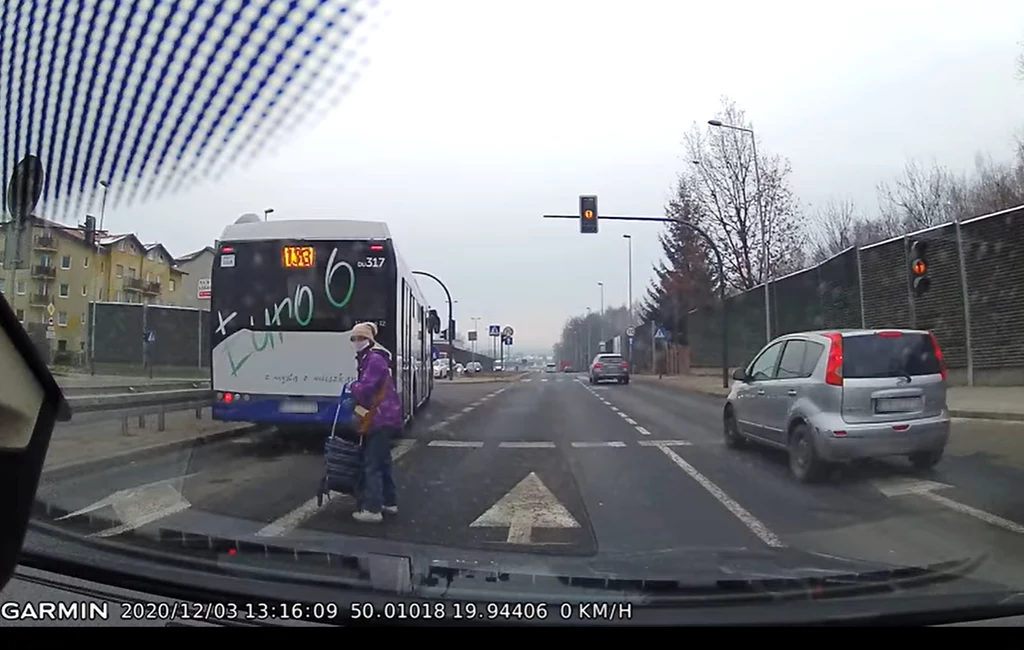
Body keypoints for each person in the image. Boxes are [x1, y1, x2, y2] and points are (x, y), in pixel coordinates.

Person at [347, 322, 402, 523]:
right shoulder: (372, 358)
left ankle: (372, 509)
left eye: (360, 338)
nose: (356, 342)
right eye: (353, 338)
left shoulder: (374, 360)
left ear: (369, 340)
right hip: (385, 416)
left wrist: (352, 386)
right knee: (383, 462)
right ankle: (389, 502)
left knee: (371, 463)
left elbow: (366, 388)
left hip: (379, 417)